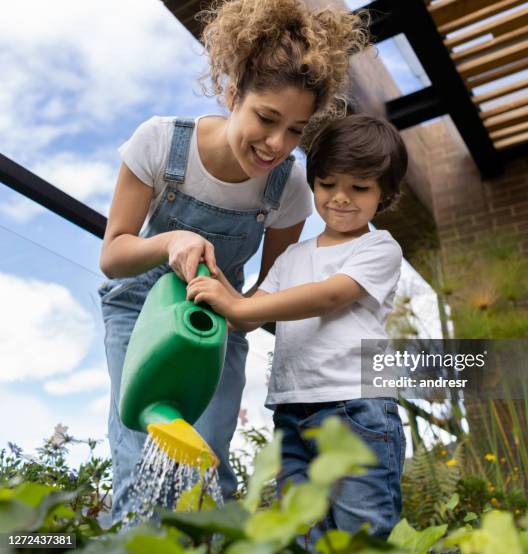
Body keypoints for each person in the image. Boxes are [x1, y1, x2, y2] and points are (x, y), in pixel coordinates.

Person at [98, 0, 368, 522]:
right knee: (139, 458)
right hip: (138, 313)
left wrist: (240, 305)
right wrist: (170, 241)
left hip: (217, 328)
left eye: (295, 130)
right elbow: (113, 255)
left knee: (207, 463)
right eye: (266, 118)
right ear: (231, 93)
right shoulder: (160, 143)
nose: (276, 144)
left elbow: (270, 288)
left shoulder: (287, 186)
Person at [187, 114, 408, 548]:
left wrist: (237, 302)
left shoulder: (378, 247)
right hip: (291, 413)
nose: (340, 198)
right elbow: (248, 315)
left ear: (385, 195)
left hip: (357, 408)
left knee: (359, 533)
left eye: (359, 188)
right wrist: (215, 284)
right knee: (301, 530)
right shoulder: (291, 257)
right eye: (328, 184)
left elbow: (330, 295)